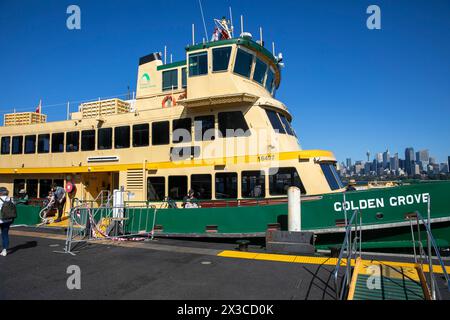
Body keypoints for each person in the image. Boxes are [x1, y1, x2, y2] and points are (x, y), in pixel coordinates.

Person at [0, 187, 13, 256]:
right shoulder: (10, 199)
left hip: (0, 219)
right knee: (5, 235)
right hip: (8, 219)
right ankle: (5, 250)